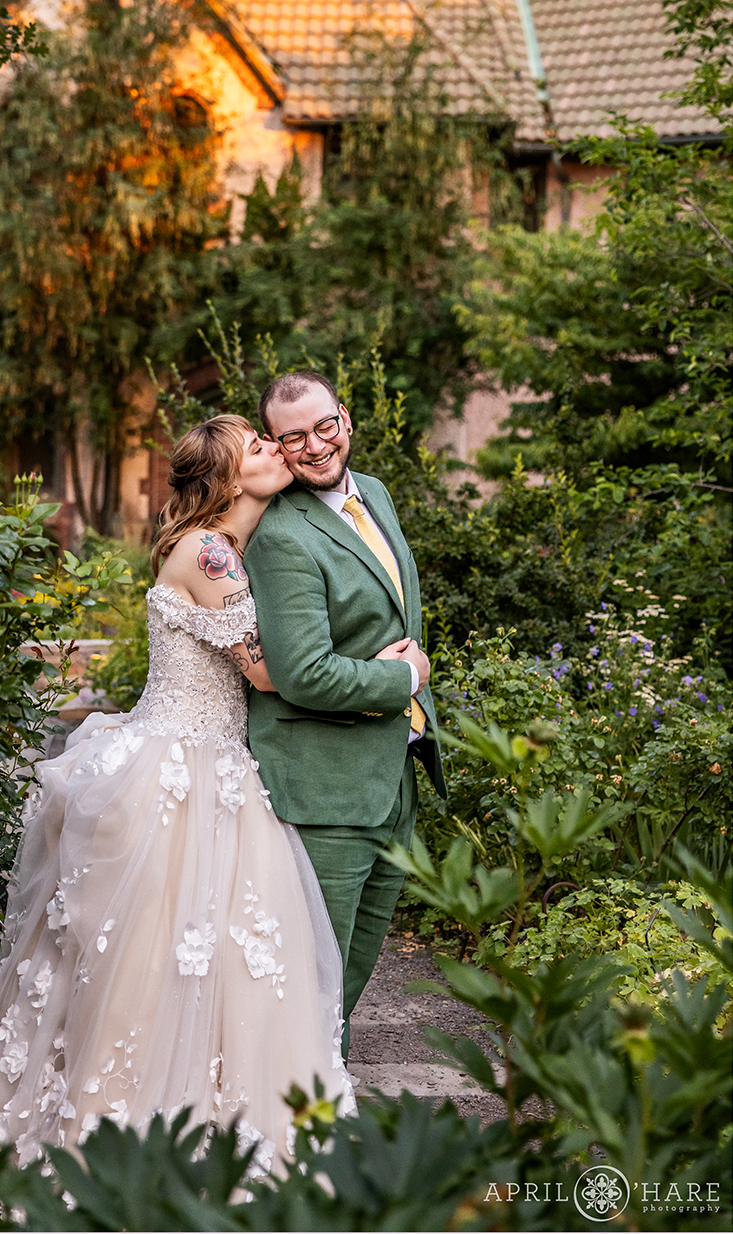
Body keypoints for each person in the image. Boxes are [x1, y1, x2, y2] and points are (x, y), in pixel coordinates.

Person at [0, 415, 367, 1172]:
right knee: (171, 956)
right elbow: (267, 671)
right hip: (187, 770)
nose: (275, 450)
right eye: (259, 446)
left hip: (190, 753)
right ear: (231, 478)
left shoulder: (213, 546)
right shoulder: (211, 552)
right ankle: (141, 1132)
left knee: (184, 957)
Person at [244, 372, 447, 1059]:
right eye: (292, 436)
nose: (314, 445)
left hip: (390, 774)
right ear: (274, 444)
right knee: (309, 976)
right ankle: (291, 1118)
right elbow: (301, 673)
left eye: (323, 425)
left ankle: (314, 1094)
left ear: (346, 419)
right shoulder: (279, 533)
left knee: (351, 972)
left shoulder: (376, 495)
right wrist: (403, 677)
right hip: (324, 786)